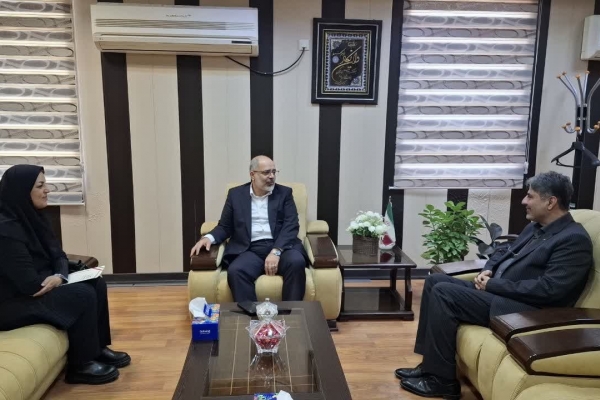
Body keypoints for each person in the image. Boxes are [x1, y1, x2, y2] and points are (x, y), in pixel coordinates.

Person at [395, 171, 593, 399]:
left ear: (551, 202)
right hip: (503, 293)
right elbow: (504, 250)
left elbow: (549, 290)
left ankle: (442, 382)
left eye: (530, 196)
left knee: (444, 293)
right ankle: (430, 365)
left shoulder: (573, 239)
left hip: (528, 310)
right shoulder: (537, 227)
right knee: (434, 281)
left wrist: (493, 285)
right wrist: (487, 269)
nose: (524, 201)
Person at [0, 165, 130, 385]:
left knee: (95, 281)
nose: (47, 190)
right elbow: (30, 285)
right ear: (21, 191)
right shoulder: (5, 230)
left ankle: (97, 349)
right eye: (40, 186)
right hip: (11, 303)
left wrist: (60, 275)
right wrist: (57, 278)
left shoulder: (33, 217)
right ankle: (81, 365)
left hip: (39, 285)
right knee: (81, 294)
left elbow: (58, 255)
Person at [190, 155, 307, 302]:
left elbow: (291, 225)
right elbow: (225, 226)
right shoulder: (235, 195)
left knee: (296, 262)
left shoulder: (284, 193)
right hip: (250, 249)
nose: (272, 176)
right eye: (266, 172)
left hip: (282, 247)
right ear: (252, 174)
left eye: (274, 172)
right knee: (236, 271)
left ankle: (291, 313)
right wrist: (208, 237)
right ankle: (252, 314)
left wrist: (276, 251)